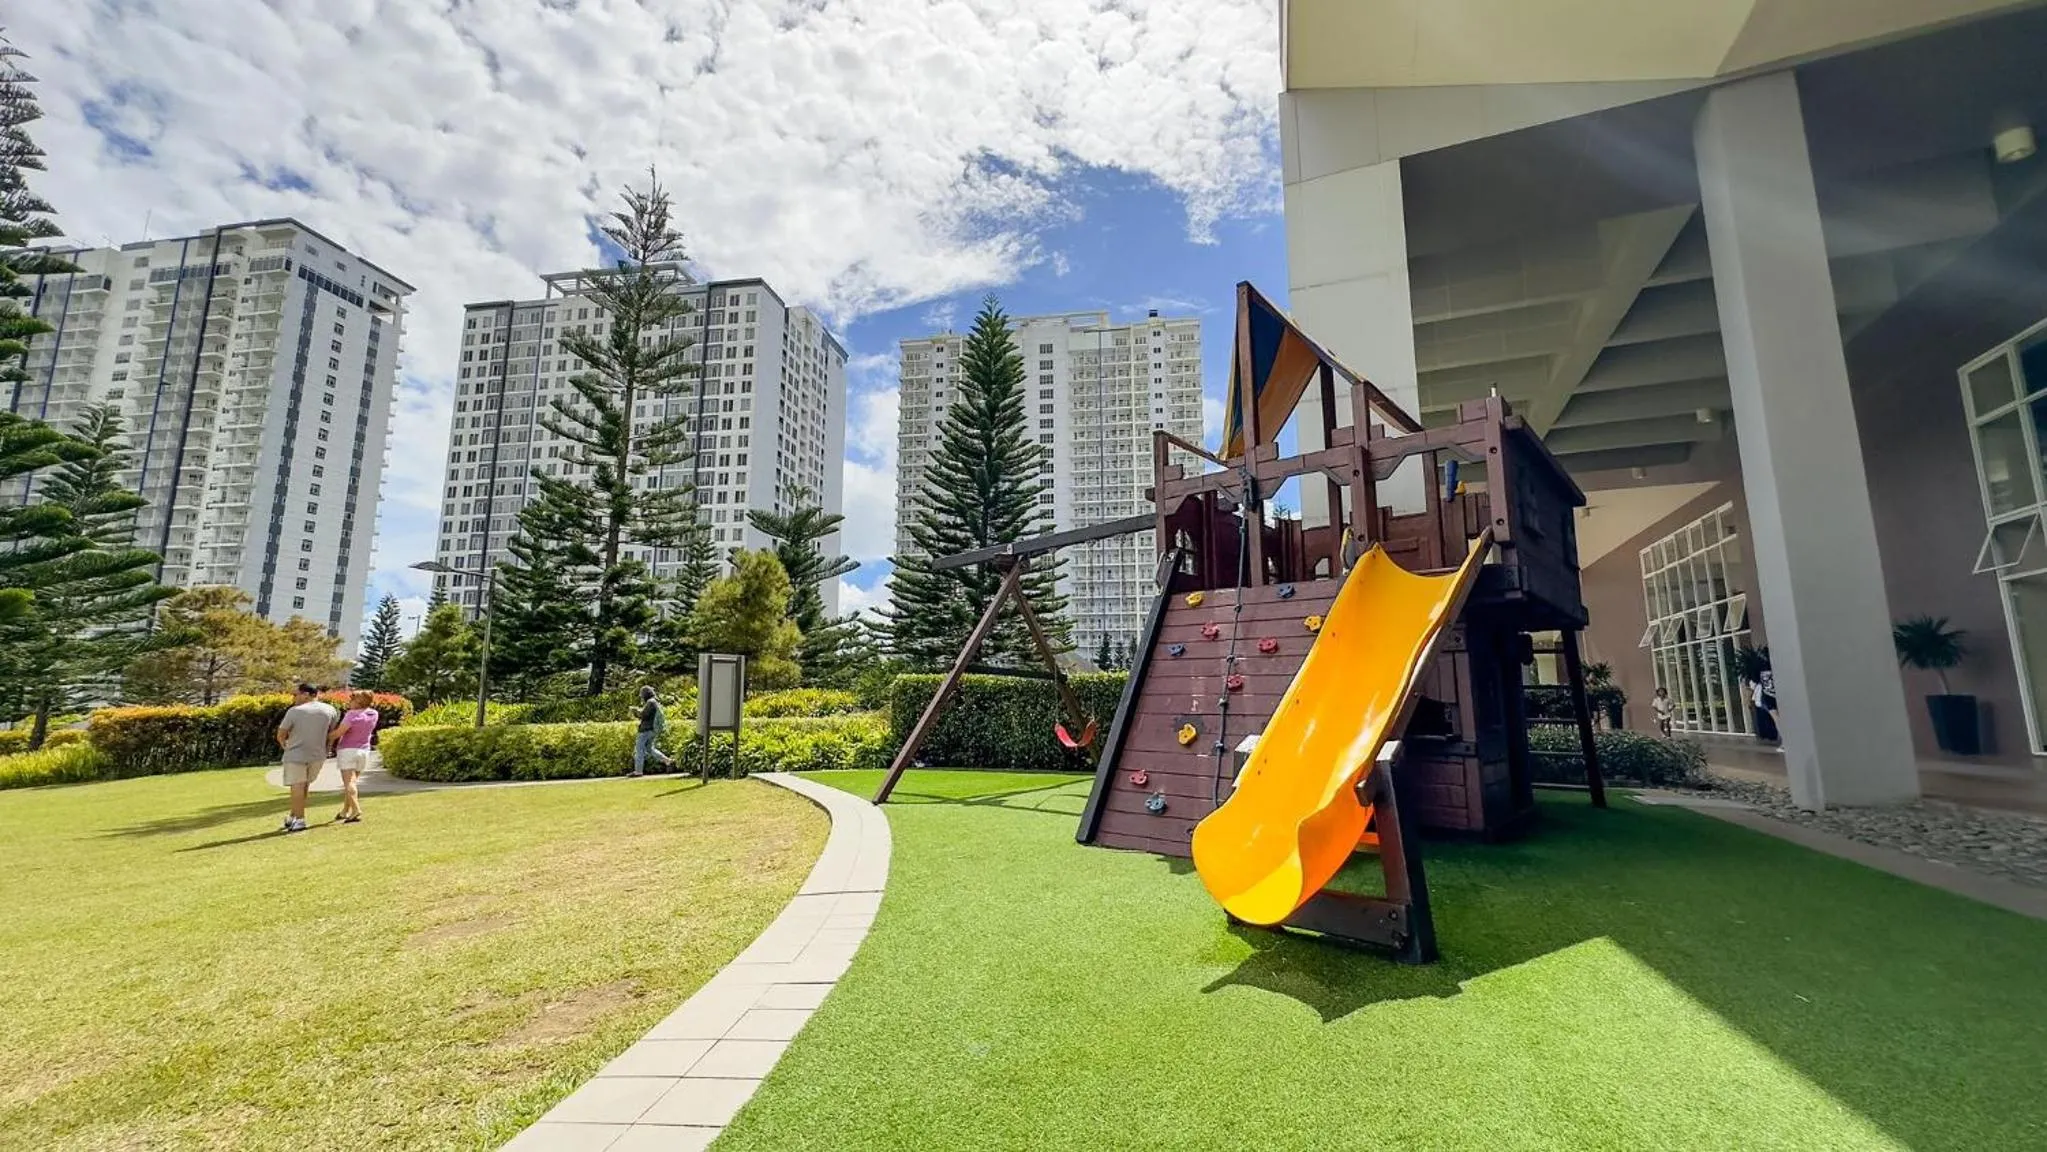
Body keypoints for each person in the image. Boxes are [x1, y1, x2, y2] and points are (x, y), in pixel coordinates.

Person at [276, 683, 338, 833]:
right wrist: (327, 750)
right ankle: (293, 816)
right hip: (318, 755)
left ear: (306, 694)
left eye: (296, 694)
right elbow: (331, 733)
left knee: (297, 786)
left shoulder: (295, 711)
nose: (294, 698)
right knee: (304, 786)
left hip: (296, 754)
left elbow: (281, 733)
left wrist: (285, 745)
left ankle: (300, 819)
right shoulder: (330, 710)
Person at [327, 690, 380, 824]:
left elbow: (339, 732)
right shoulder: (373, 714)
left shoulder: (351, 715)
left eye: (351, 700)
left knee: (349, 783)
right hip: (364, 751)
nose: (349, 703)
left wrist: (324, 737)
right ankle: (345, 810)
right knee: (352, 783)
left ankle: (356, 809)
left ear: (357, 702)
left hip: (348, 751)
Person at [633, 685, 676, 776]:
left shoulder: (650, 702)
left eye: (642, 695)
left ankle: (638, 771)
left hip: (646, 730)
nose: (641, 697)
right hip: (653, 730)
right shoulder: (654, 702)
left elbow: (643, 715)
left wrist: (635, 711)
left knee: (639, 749)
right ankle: (667, 761)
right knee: (649, 749)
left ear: (645, 694)